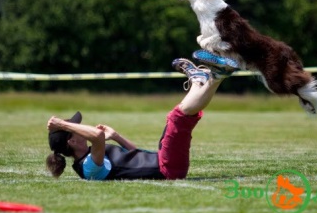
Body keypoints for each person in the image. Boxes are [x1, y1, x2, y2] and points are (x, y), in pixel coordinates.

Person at [46, 53, 239, 180]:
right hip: (167, 168)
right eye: (76, 127)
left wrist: (117, 136)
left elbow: (135, 154)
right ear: (71, 140)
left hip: (164, 161)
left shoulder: (92, 155)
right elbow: (96, 136)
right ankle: (209, 78)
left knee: (182, 117)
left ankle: (203, 80)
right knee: (178, 117)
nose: (81, 126)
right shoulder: (87, 167)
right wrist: (62, 123)